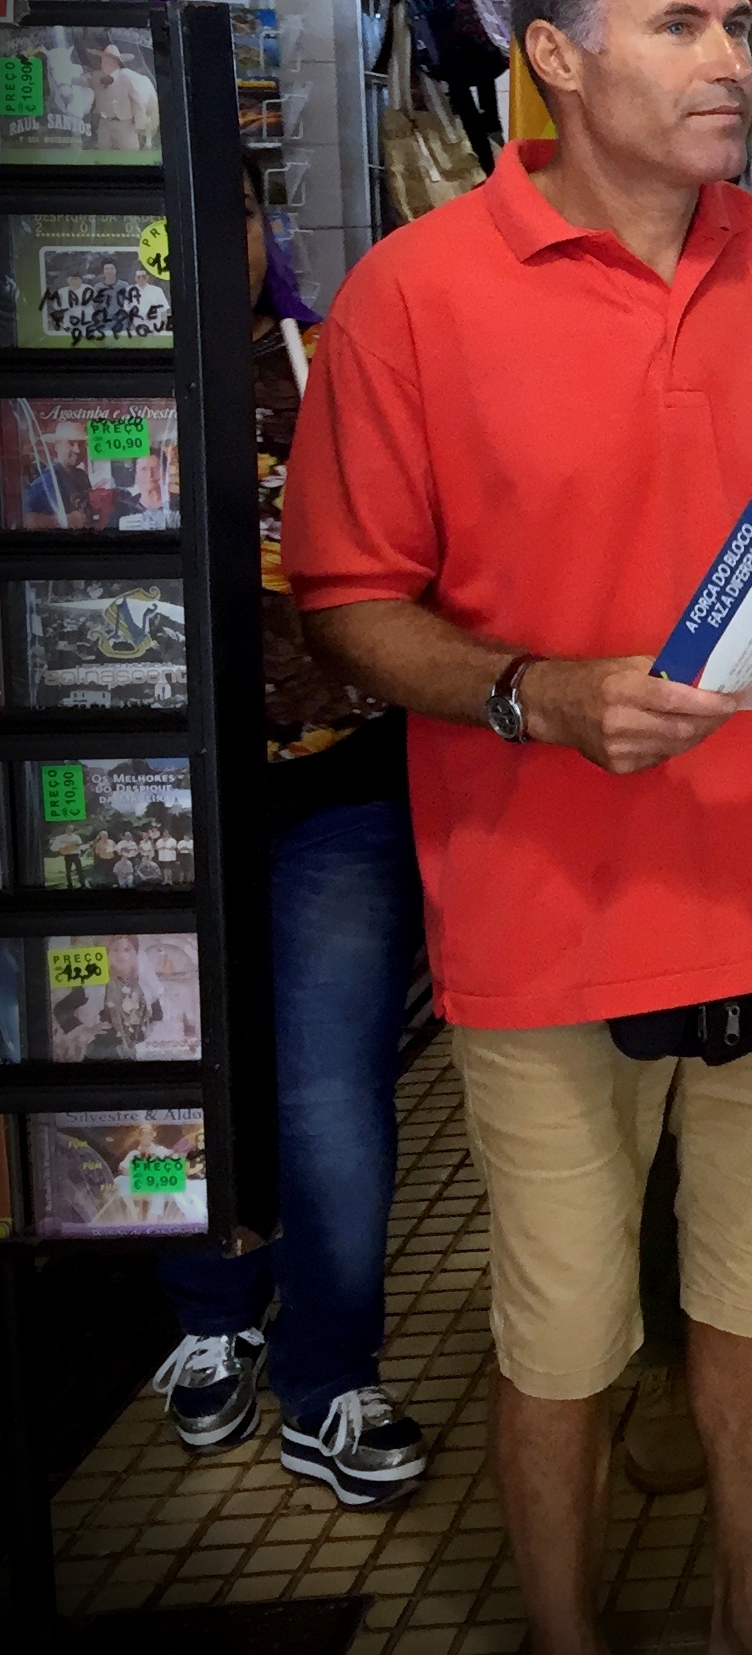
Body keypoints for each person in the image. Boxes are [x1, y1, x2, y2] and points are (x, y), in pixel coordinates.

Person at [285, 0, 752, 1655]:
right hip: (545, 921)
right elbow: (347, 599)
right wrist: (533, 694)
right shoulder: (415, 297)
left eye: (739, 26)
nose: (737, 62)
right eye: (684, 26)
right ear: (554, 57)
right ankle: (564, 1631)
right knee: (561, 1340)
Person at [147, 157, 432, 1506]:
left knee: (330, 1095)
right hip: (146, 803)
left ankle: (329, 1374)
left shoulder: (331, 370)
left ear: (267, 226)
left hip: (331, 783)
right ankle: (209, 1317)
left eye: (235, 207)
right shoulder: (73, 400)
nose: (212, 242)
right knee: (170, 1063)